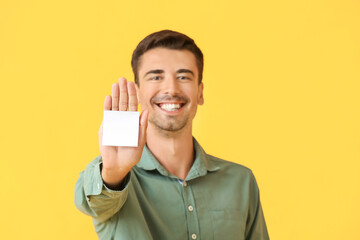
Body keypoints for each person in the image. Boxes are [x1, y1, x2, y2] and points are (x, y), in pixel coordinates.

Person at [75, 30, 269, 240]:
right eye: (156, 76)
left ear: (200, 92)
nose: (171, 88)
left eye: (183, 76)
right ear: (138, 93)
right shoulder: (117, 177)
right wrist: (114, 173)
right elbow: (93, 203)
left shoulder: (241, 181)